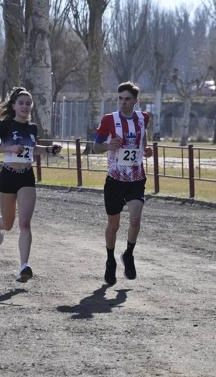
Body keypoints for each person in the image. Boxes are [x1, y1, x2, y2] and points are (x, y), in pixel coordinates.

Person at [0, 87, 61, 283]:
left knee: (24, 223)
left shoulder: (32, 128)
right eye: (21, 103)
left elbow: (31, 149)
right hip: (8, 176)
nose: (25, 106)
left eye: (28, 103)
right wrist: (9, 147)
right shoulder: (5, 125)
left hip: (26, 177)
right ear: (14, 106)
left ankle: (24, 266)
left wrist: (50, 150)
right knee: (9, 224)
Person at [93, 81, 153, 285]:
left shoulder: (144, 117)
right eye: (120, 98)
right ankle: (110, 260)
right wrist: (109, 145)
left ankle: (128, 254)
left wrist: (146, 149)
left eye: (128, 99)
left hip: (136, 177)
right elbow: (95, 147)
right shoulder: (109, 119)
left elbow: (143, 137)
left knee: (135, 220)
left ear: (136, 101)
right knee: (114, 225)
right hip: (115, 179)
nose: (123, 103)